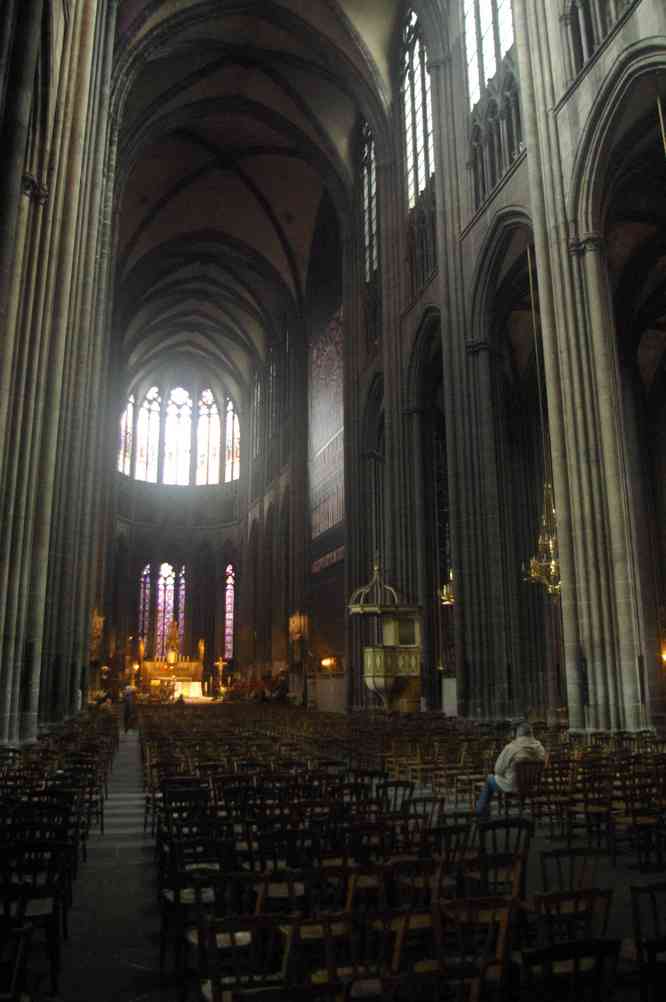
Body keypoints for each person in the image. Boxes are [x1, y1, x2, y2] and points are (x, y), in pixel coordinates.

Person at [475, 721, 545, 818]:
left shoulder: (511, 747)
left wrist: (505, 773)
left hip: (513, 785)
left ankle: (480, 812)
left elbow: (498, 769)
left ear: (518, 734)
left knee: (489, 779)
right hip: (533, 785)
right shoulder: (540, 748)